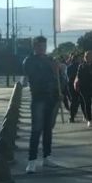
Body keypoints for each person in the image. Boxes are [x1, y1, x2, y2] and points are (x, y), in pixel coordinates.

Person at [22, 36, 62, 174]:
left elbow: (57, 78)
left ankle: (47, 156)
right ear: (34, 46)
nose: (42, 49)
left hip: (52, 97)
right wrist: (51, 69)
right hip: (38, 98)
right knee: (36, 129)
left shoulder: (50, 59)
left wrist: (58, 71)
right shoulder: (29, 60)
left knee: (48, 129)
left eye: (44, 46)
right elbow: (35, 77)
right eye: (39, 46)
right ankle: (31, 160)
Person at [66, 54, 85, 122]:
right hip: (78, 84)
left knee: (74, 101)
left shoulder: (69, 67)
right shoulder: (81, 66)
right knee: (81, 100)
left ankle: (72, 117)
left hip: (72, 85)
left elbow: (69, 77)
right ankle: (84, 116)